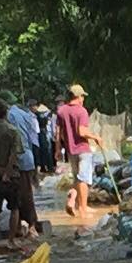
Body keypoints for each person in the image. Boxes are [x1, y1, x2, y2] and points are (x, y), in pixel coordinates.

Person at [0, 100, 36, 238]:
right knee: (14, 207)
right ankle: (11, 239)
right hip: (11, 174)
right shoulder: (12, 130)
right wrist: (6, 171)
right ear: (6, 113)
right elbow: (15, 154)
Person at [54, 83, 96, 221]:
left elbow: (58, 133)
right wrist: (96, 137)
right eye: (82, 96)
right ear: (78, 96)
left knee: (78, 177)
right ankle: (83, 208)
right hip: (83, 149)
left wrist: (58, 149)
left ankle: (77, 202)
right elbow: (81, 131)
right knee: (84, 179)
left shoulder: (61, 111)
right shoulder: (81, 111)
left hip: (70, 151)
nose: (83, 99)